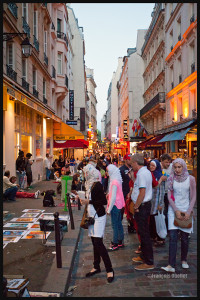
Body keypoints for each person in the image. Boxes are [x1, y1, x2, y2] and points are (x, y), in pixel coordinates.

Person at [79, 163, 114, 283]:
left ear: (90, 173)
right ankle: (96, 266)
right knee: (94, 242)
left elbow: (103, 201)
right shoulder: (88, 185)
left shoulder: (97, 185)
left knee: (98, 242)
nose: (84, 175)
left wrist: (88, 201)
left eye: (85, 173)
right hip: (91, 215)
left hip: (98, 216)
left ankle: (109, 269)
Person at [161, 158, 196, 273]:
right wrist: (175, 210)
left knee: (185, 239)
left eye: (179, 167)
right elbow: (169, 196)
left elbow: (193, 196)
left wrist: (189, 211)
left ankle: (184, 260)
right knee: (173, 237)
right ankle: (171, 264)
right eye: (175, 167)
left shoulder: (191, 179)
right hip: (173, 210)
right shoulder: (171, 179)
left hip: (186, 209)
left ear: (183, 167)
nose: (177, 169)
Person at [130, 154, 154, 271]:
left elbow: (142, 192)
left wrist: (136, 206)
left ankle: (149, 261)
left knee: (144, 233)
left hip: (142, 206)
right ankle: (144, 255)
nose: (131, 165)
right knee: (142, 231)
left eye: (131, 163)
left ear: (136, 162)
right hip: (143, 205)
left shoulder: (143, 174)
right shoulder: (143, 172)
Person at [106, 164, 125, 251]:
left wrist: (109, 209)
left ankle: (115, 243)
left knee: (114, 225)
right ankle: (120, 241)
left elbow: (113, 197)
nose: (106, 173)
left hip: (115, 205)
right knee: (119, 224)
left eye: (107, 171)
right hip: (120, 204)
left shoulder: (113, 182)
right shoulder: (118, 180)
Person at [149, 159, 166, 246]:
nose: (151, 167)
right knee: (152, 219)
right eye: (150, 165)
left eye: (153, 165)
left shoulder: (160, 176)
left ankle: (160, 237)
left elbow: (161, 191)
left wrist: (161, 203)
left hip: (157, 202)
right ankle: (154, 236)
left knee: (158, 220)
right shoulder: (150, 175)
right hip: (151, 201)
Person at [160, 153, 172, 231]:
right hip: (161, 192)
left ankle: (168, 227)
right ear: (162, 161)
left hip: (169, 192)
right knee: (163, 210)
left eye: (169, 162)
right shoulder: (159, 168)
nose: (168, 164)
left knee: (168, 210)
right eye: (166, 162)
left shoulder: (172, 168)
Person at [119, 154, 131, 221]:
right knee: (122, 210)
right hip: (124, 193)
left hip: (131, 193)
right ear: (126, 160)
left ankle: (131, 226)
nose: (131, 161)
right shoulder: (121, 170)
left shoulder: (133, 168)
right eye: (129, 159)